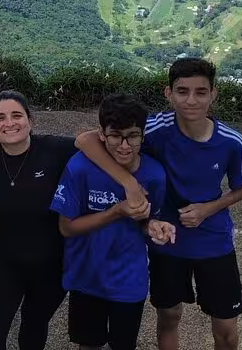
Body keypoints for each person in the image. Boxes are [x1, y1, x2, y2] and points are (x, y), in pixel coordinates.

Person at [76, 58, 242, 350]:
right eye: (182, 91)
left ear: (213, 94)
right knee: (169, 316)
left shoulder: (231, 141)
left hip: (215, 242)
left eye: (201, 92)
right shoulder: (155, 129)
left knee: (226, 328)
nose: (191, 100)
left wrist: (207, 209)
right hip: (165, 242)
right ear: (168, 93)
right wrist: (130, 184)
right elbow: (85, 140)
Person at [0, 90, 142, 350]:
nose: (9, 123)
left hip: (49, 265)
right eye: (0, 118)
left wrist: (128, 182)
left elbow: (88, 139)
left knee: (33, 330)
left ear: (31, 120)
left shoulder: (53, 149)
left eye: (17, 115)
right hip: (0, 263)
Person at [51, 94, 175, 350]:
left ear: (143, 135)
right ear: (102, 134)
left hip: (130, 279)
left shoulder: (154, 174)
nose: (125, 145)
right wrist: (116, 211)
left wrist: (152, 226)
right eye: (116, 135)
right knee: (89, 345)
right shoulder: (79, 168)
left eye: (133, 135)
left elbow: (148, 219)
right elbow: (66, 227)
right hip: (86, 276)